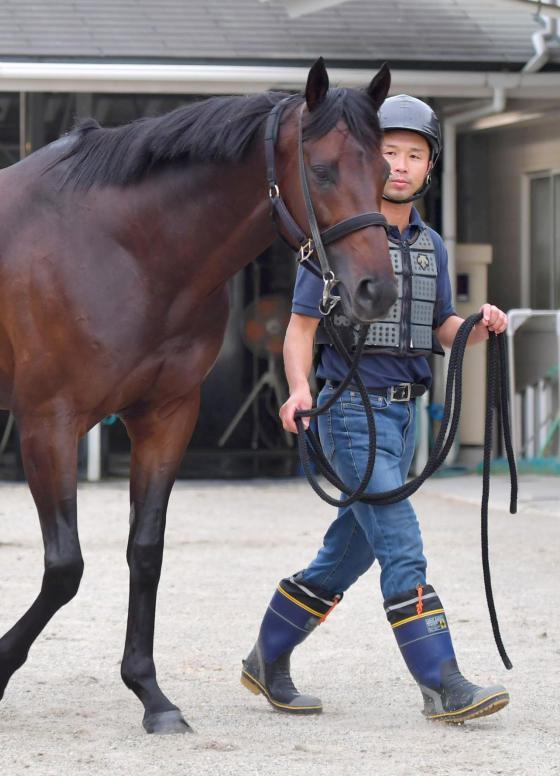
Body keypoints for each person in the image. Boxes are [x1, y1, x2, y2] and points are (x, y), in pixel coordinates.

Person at [241, 95, 510, 723]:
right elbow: (300, 328)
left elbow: (441, 327)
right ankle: (443, 681)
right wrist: (299, 388)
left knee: (346, 554)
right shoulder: (334, 240)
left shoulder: (433, 246)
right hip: (347, 412)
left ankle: (266, 658)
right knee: (401, 542)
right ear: (369, 160)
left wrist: (478, 327)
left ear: (429, 167)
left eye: (414, 155)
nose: (401, 164)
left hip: (402, 417)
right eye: (389, 152)